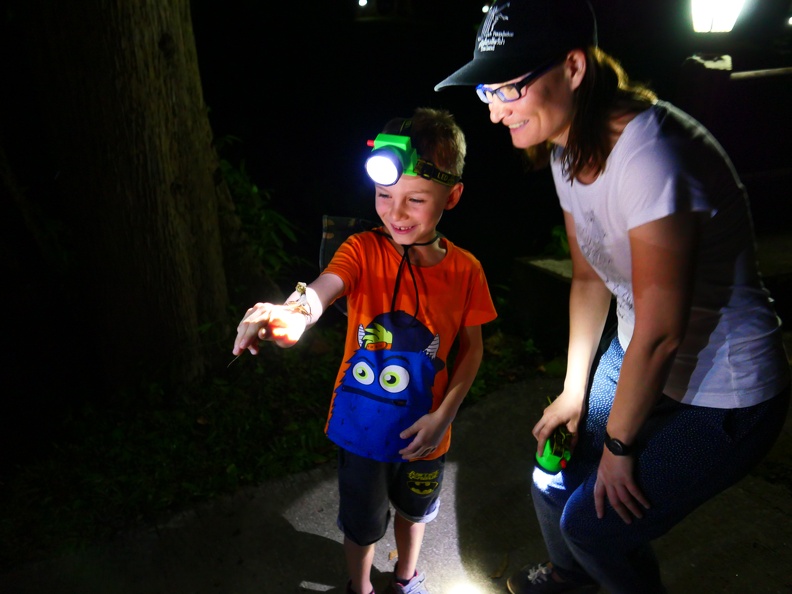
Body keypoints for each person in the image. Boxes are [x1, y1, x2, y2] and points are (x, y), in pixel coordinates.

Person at [434, 1, 792, 593]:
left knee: (594, 524)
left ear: (573, 68)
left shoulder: (652, 156)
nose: (496, 114)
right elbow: (588, 278)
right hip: (641, 353)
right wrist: (574, 392)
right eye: (486, 94)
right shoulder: (564, 147)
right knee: (552, 471)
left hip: (727, 392)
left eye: (508, 90)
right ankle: (574, 581)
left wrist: (620, 446)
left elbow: (661, 327)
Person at [232, 107, 498, 594]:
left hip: (427, 436)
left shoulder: (467, 271)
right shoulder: (361, 249)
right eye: (383, 195)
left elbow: (471, 351)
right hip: (360, 431)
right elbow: (320, 291)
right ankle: (361, 587)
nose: (395, 213)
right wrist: (290, 311)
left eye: (415, 200)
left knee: (415, 514)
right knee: (360, 522)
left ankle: (406, 578)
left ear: (452, 195)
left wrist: (445, 415)